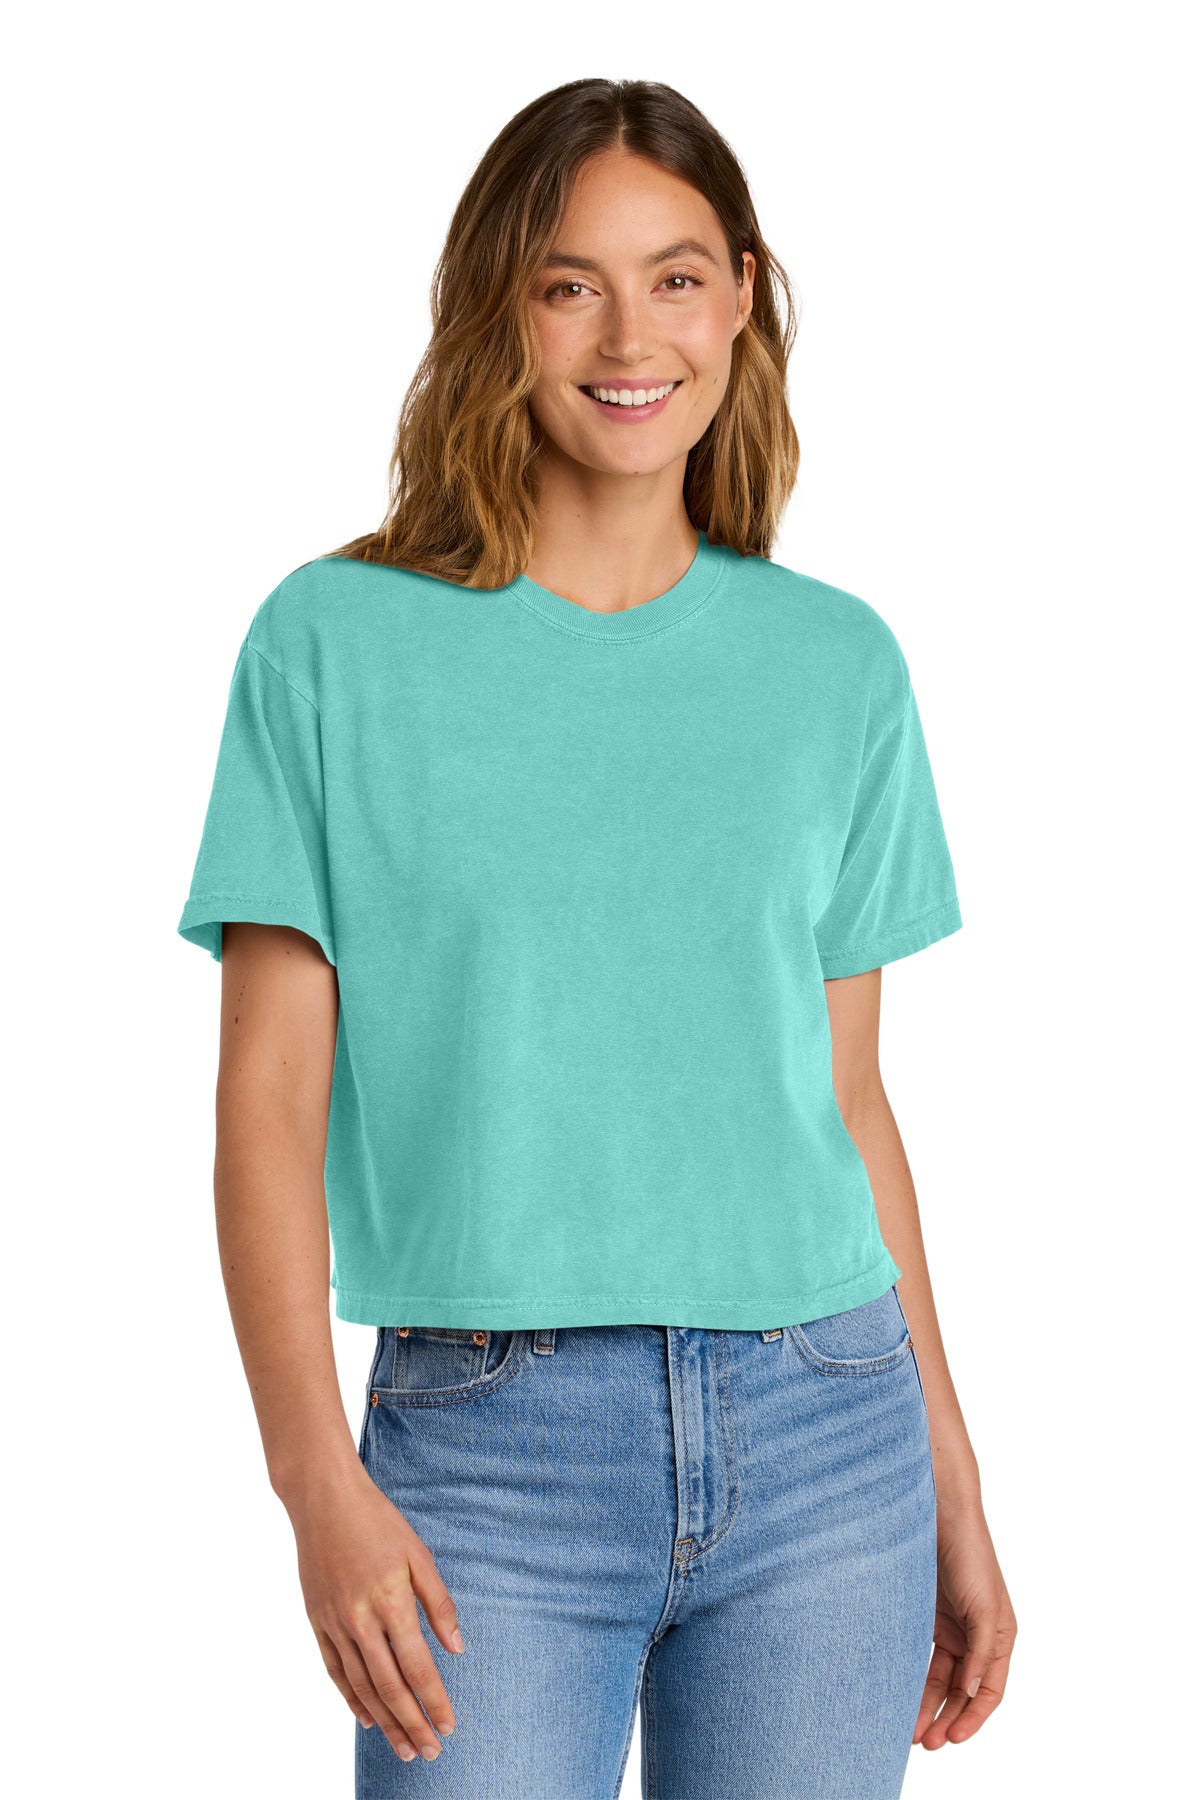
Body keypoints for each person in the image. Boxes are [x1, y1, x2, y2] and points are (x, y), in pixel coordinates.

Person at [177, 76, 1016, 1799]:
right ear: (502, 309)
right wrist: (314, 1483)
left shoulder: (837, 667)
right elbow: (265, 1104)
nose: (631, 338)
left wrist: (955, 1475)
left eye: (677, 278)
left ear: (742, 300)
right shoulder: (331, 647)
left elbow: (851, 1105)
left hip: (829, 1435)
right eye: (572, 285)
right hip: (487, 1462)